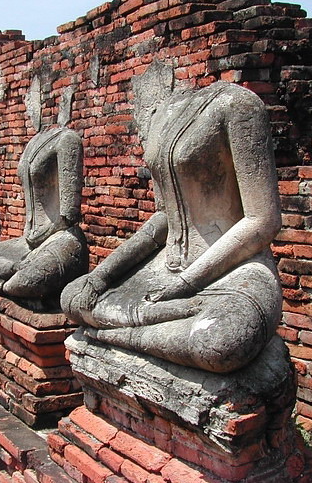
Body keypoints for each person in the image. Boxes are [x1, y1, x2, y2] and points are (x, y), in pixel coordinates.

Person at [61, 82, 282, 373]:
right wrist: (101, 275)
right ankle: (153, 327)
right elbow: (164, 217)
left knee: (219, 342)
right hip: (163, 269)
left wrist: (184, 285)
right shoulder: (162, 114)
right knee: (74, 296)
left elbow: (263, 220)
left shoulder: (237, 105)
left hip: (235, 270)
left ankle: (120, 333)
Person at [0, 127, 88, 299]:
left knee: (29, 280)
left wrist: (36, 243)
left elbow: (68, 215)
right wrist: (25, 251)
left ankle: (4, 283)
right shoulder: (33, 143)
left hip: (61, 238)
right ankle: (12, 270)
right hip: (29, 242)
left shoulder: (67, 140)